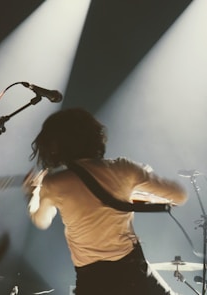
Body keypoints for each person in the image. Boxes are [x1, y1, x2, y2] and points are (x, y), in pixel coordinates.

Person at [23, 108, 187, 295]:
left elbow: (41, 221)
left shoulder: (54, 183)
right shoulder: (124, 169)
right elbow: (179, 195)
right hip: (132, 272)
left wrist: (32, 194)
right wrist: (140, 180)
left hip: (92, 281)